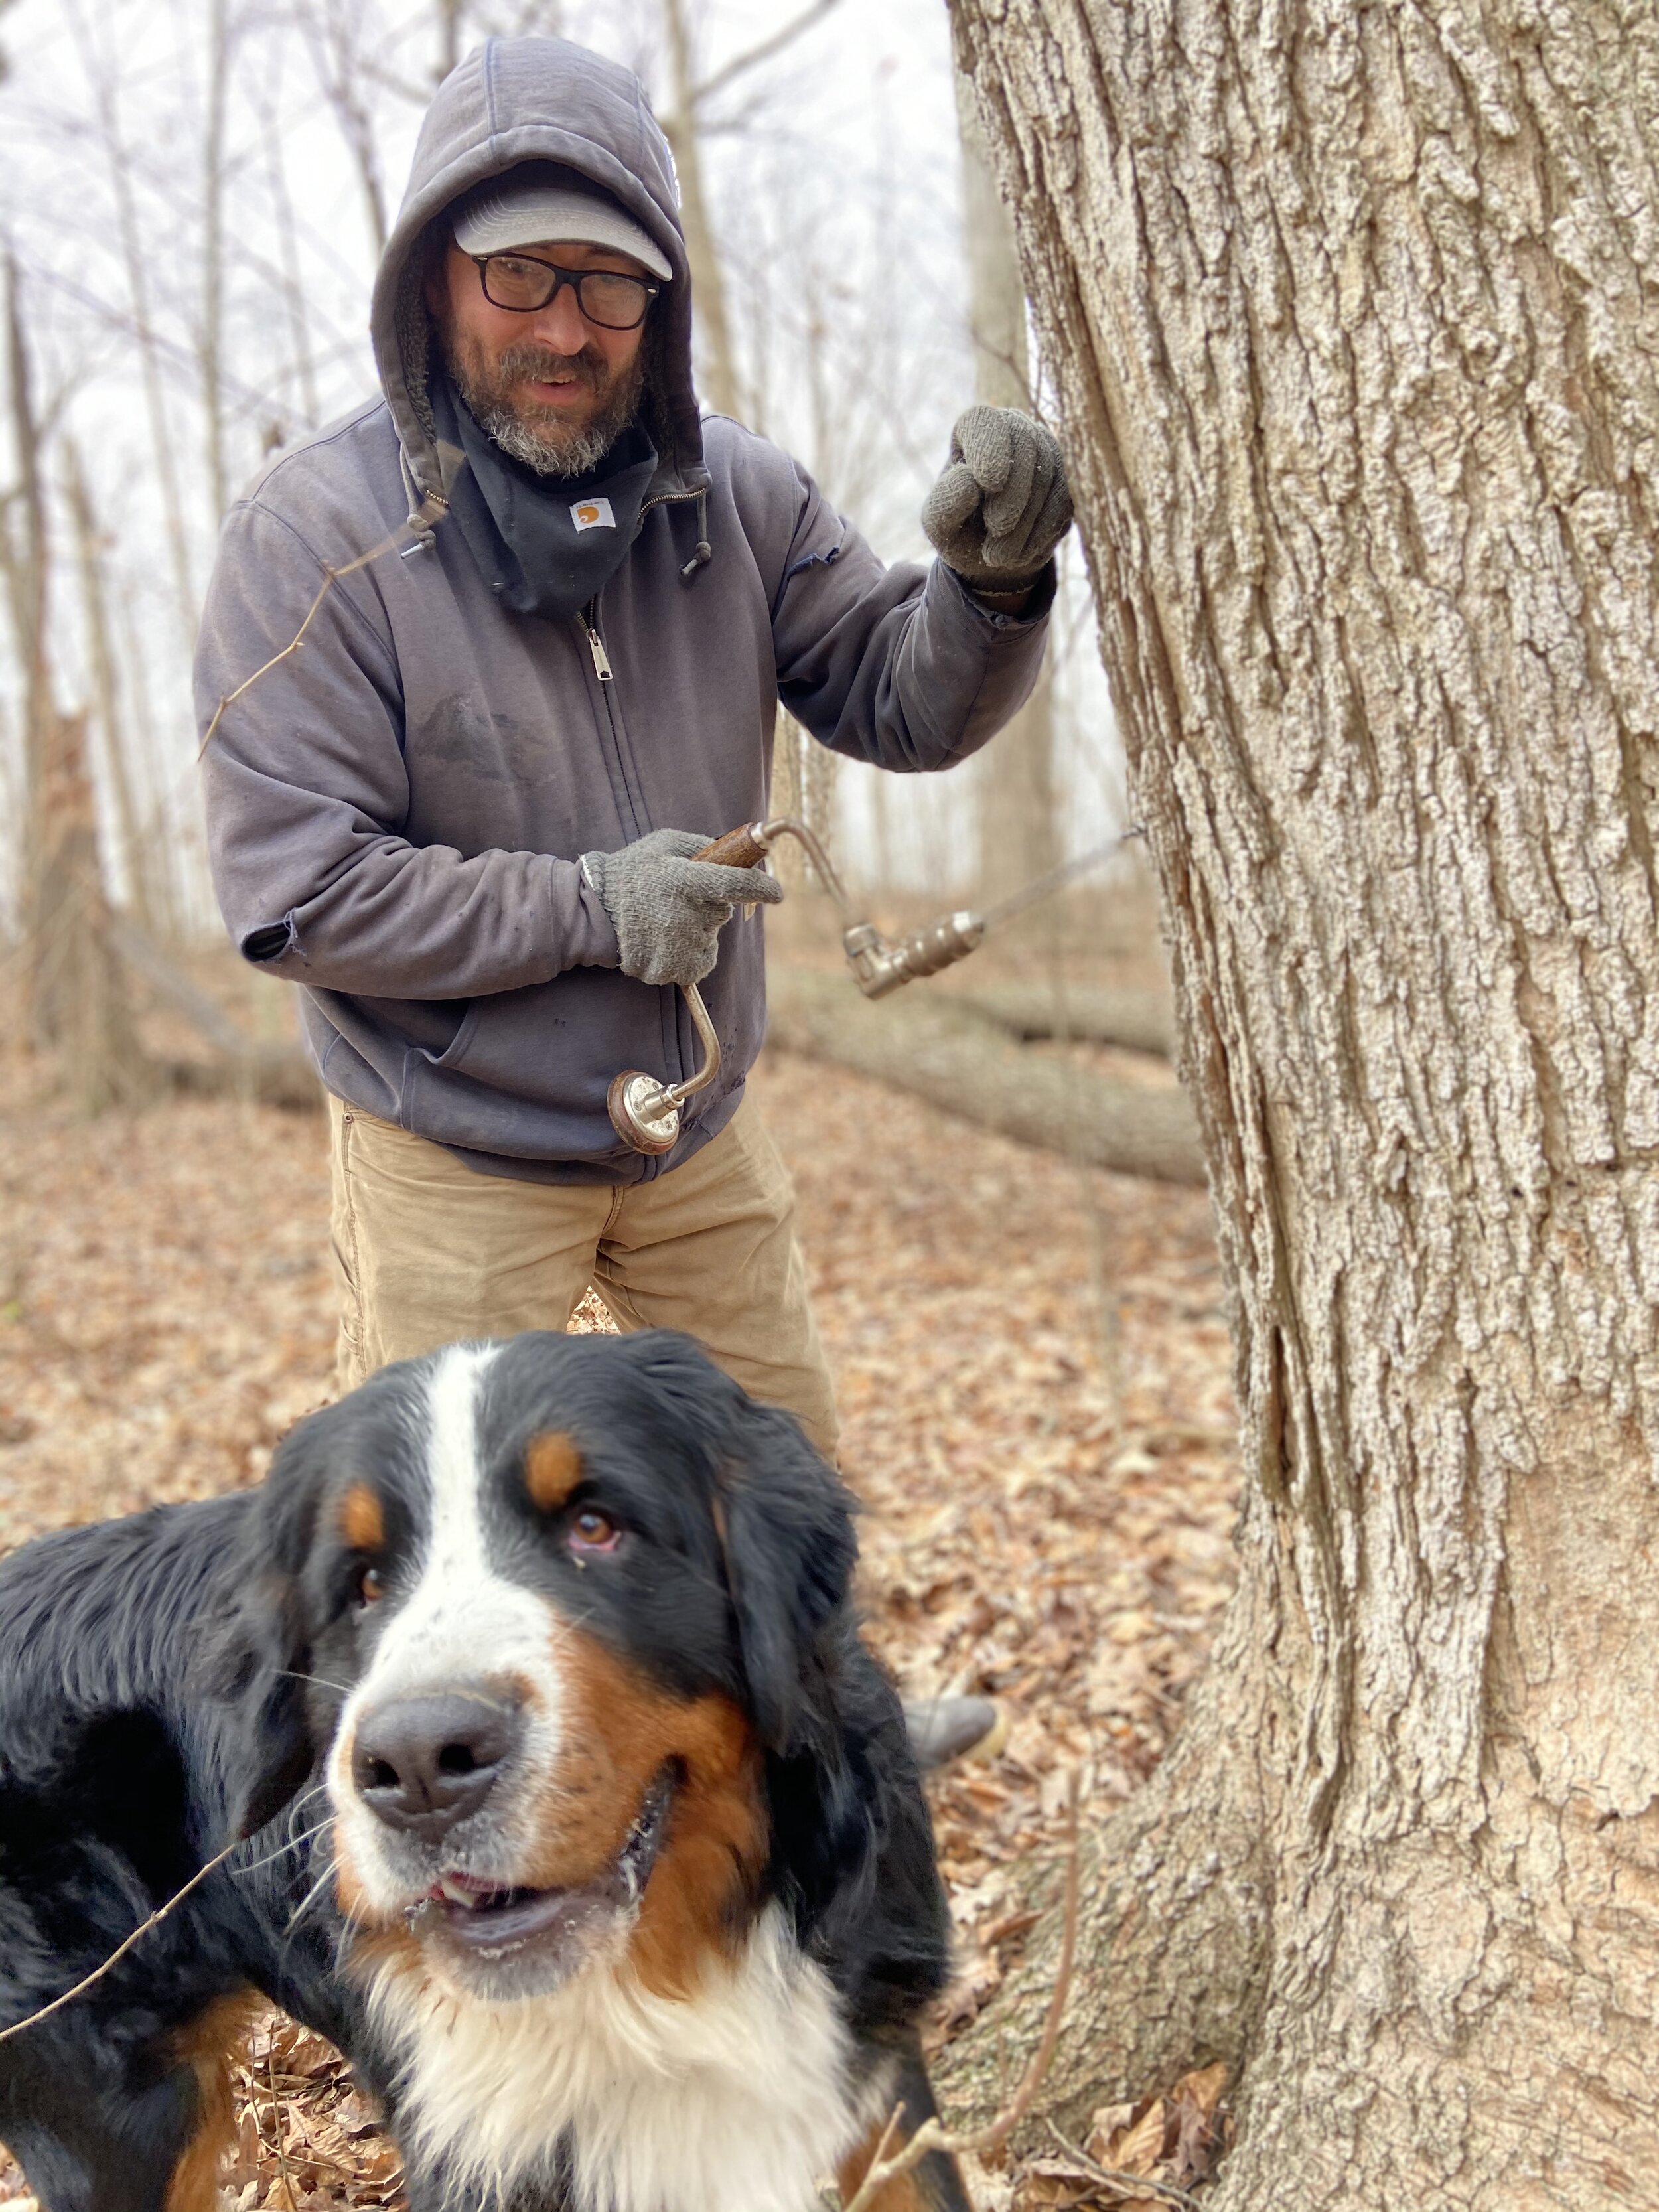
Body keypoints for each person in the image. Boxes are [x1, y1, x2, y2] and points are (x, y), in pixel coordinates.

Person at [197, 35, 1066, 1544]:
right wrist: (590, 909)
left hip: (691, 1132)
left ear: (655, 305)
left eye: (608, 285)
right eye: (519, 275)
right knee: (428, 1564)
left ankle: (811, 1769)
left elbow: (892, 692)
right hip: (450, 1143)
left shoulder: (739, 496)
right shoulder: (312, 535)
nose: (564, 326)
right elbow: (294, 888)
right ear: (433, 282)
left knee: (783, 1521)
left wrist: (988, 588)